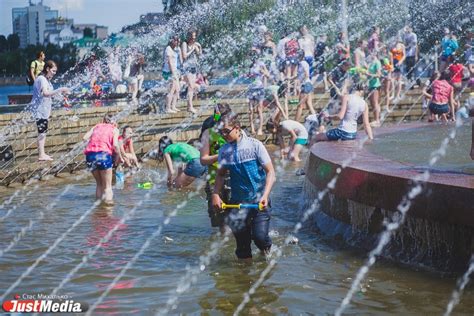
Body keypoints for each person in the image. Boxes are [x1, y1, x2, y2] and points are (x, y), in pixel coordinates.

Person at [211, 113, 275, 259]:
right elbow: (221, 174)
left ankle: (267, 252)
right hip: (237, 203)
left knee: (260, 238)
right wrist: (215, 194)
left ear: (237, 128)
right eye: (221, 132)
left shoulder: (255, 145)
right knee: (242, 247)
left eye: (226, 131)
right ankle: (244, 276)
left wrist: (265, 196)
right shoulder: (224, 151)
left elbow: (271, 172)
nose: (224, 135)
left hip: (259, 202)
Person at [28, 60, 70, 161]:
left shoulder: (48, 81)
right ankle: (41, 155)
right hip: (39, 110)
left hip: (44, 111)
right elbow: (45, 93)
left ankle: (42, 154)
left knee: (43, 132)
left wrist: (63, 99)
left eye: (55, 71)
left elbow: (52, 95)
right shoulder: (41, 79)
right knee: (41, 132)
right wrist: (60, 89)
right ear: (47, 69)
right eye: (53, 71)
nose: (54, 73)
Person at [199, 104, 232, 231]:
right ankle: (225, 245)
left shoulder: (235, 131)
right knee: (220, 219)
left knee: (238, 215)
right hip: (214, 179)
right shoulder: (208, 133)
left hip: (235, 178)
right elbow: (203, 160)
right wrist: (220, 156)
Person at [83, 114, 124, 203]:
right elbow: (115, 145)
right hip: (103, 155)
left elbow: (84, 137)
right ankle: (108, 211)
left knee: (99, 184)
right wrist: (119, 157)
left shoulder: (97, 126)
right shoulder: (114, 129)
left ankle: (99, 208)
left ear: (103, 120)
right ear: (114, 122)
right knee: (107, 186)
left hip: (90, 156)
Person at [247, 52, 269, 135]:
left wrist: (263, 71)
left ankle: (260, 129)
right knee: (251, 110)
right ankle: (252, 129)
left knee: (259, 109)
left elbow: (268, 75)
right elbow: (249, 76)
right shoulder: (250, 65)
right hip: (251, 89)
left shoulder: (261, 64)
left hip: (260, 88)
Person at [182, 30, 202, 113]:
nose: (193, 39)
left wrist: (199, 47)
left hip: (194, 67)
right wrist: (192, 49)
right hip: (187, 67)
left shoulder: (195, 44)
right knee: (190, 86)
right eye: (192, 37)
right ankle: (190, 106)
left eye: (194, 37)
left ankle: (189, 106)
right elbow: (184, 56)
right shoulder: (184, 44)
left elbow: (199, 55)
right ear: (189, 37)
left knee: (192, 87)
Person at [295, 50, 316, 121]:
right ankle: (316, 120)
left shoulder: (302, 63)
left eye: (297, 55)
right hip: (308, 84)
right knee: (308, 104)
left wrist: (301, 83)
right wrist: (289, 78)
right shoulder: (303, 63)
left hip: (306, 85)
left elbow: (306, 74)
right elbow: (299, 75)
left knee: (300, 105)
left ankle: (296, 123)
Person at [163, 36, 180, 113]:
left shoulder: (175, 49)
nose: (177, 42)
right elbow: (169, 62)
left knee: (177, 90)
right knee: (172, 90)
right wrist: (173, 74)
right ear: (171, 40)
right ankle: (168, 108)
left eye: (177, 40)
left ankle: (173, 106)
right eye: (175, 40)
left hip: (174, 71)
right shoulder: (168, 49)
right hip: (168, 72)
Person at [367, 52, 382, 127]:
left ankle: (377, 120)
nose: (369, 54)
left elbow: (379, 74)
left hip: (375, 85)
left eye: (371, 53)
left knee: (375, 102)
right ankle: (376, 119)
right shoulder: (371, 63)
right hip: (371, 85)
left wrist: (369, 75)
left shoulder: (377, 62)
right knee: (372, 103)